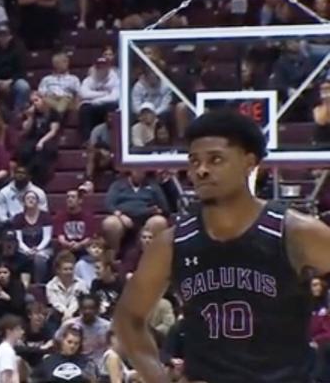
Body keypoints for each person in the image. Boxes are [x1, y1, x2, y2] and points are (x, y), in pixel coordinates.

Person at [114, 110, 330, 382]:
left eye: (215, 159)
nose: (201, 170)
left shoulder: (295, 232)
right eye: (194, 161)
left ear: (249, 163)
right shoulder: (172, 243)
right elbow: (128, 319)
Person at [0, 314, 25, 383]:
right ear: (8, 331)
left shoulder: (5, 349)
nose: (22, 332)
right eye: (18, 329)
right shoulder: (7, 351)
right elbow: (6, 379)